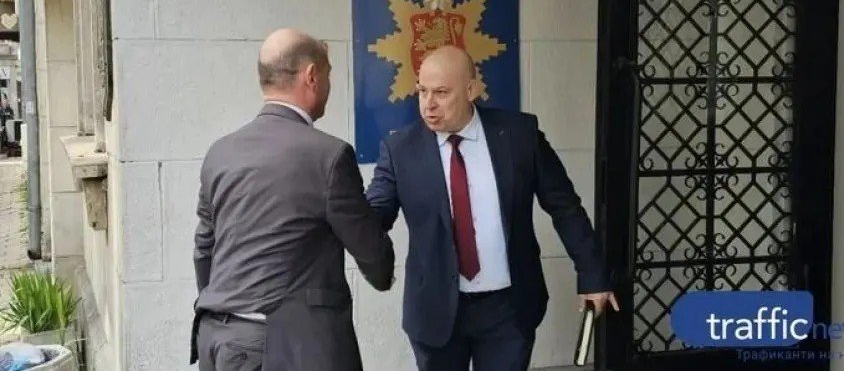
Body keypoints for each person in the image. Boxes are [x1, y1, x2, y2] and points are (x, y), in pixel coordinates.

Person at [366, 45, 618, 371]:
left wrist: (593, 275)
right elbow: (375, 213)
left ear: (471, 89)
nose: (428, 104)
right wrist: (337, 214)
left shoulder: (518, 135)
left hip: (508, 310)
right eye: (422, 91)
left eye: (441, 92)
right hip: (435, 310)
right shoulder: (400, 149)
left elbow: (565, 206)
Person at [192, 29, 394, 371]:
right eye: (328, 74)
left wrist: (232, 303)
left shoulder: (220, 152)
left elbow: (204, 248)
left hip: (218, 339)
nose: (329, 86)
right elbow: (373, 257)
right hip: (286, 349)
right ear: (311, 76)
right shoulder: (328, 156)